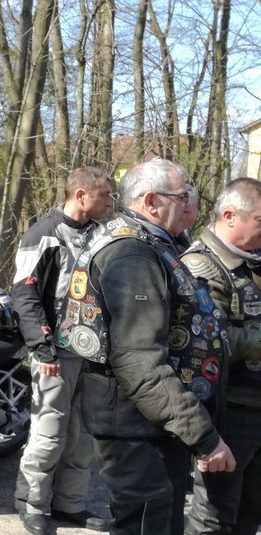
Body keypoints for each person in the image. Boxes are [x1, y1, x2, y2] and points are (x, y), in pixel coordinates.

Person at [56, 158, 236, 535]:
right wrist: (204, 437)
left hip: (149, 423)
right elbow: (140, 363)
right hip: (135, 426)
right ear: (152, 201)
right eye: (182, 195)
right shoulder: (131, 253)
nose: (189, 203)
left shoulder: (147, 242)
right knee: (145, 523)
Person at [12, 167, 113, 534]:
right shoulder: (43, 235)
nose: (110, 203)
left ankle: (70, 504)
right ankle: (32, 504)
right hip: (55, 352)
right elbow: (24, 295)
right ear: (81, 195)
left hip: (95, 354)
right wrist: (43, 348)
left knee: (82, 436)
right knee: (49, 431)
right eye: (104, 196)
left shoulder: (104, 235)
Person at [182, 178, 261, 534]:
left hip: (255, 407)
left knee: (250, 513)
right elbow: (210, 340)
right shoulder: (201, 265)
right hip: (228, 413)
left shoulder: (253, 260)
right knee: (213, 517)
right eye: (260, 221)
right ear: (230, 216)